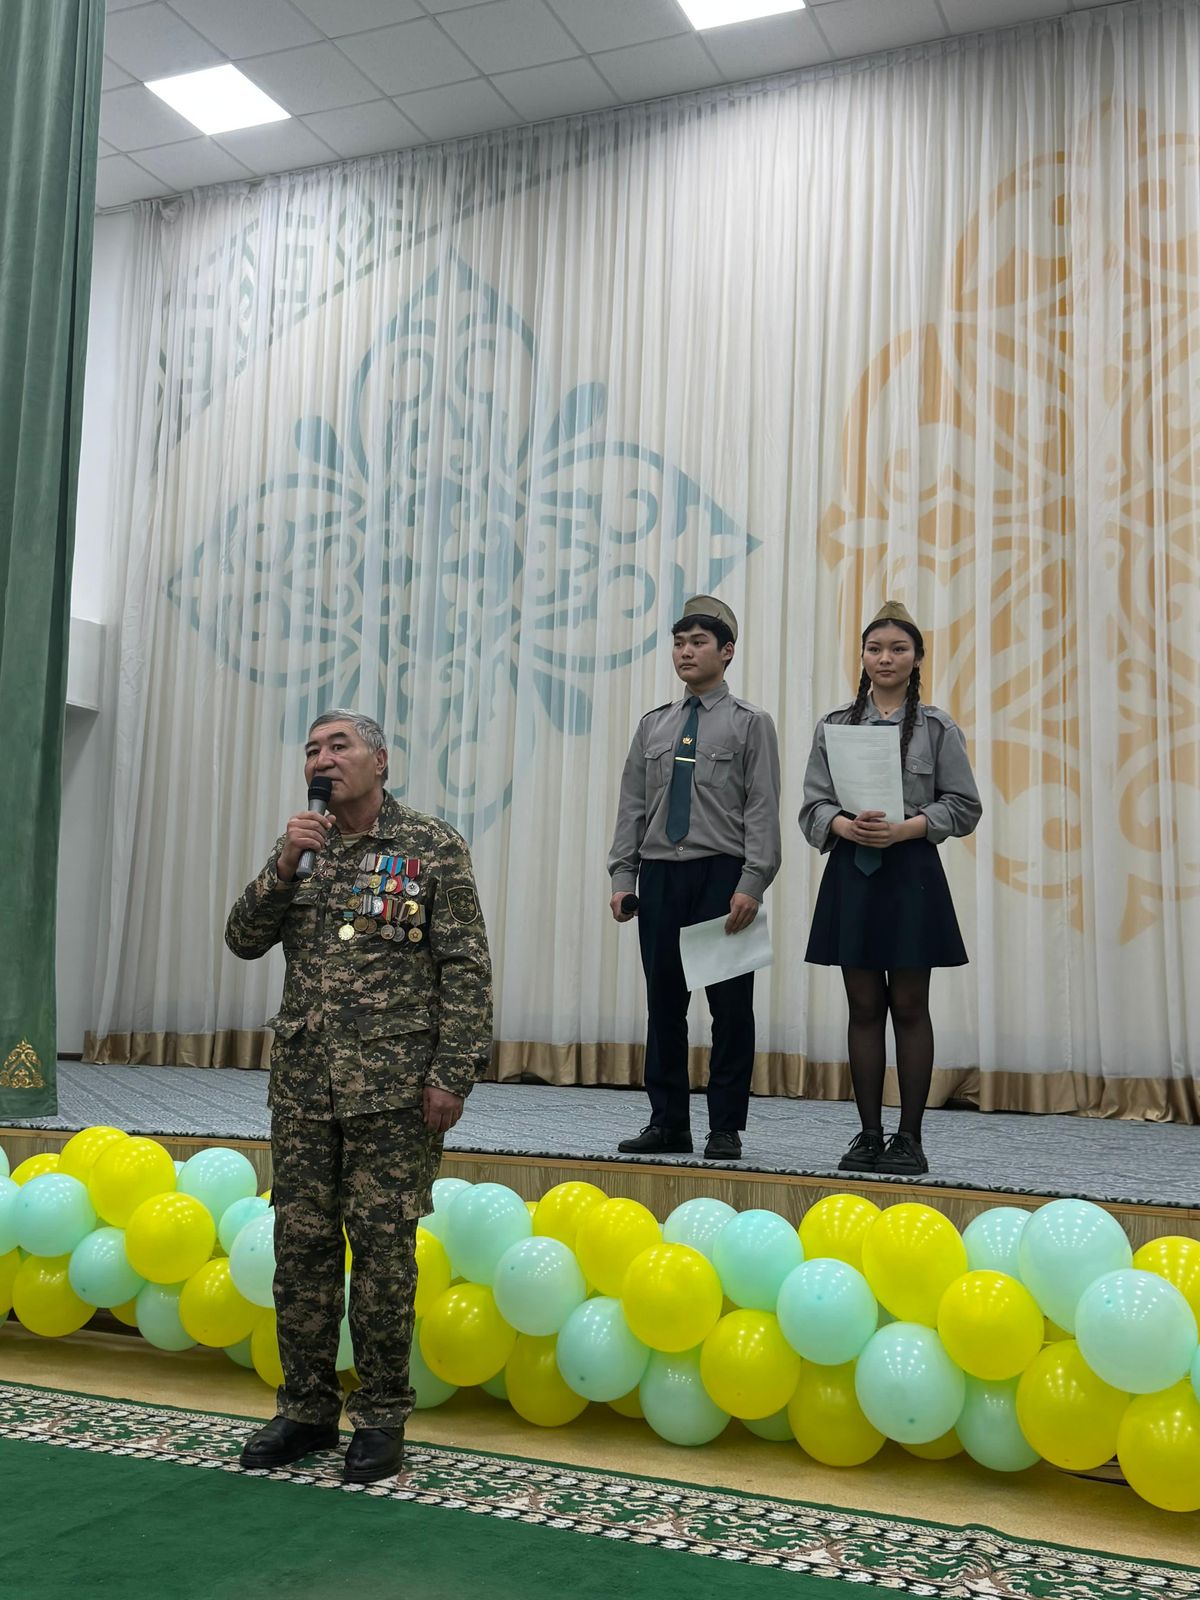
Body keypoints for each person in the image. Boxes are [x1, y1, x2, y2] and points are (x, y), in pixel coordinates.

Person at [225, 709, 492, 1484]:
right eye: (312, 748)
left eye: (339, 745)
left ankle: (379, 1418)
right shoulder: (302, 848)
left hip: (393, 1090)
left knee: (382, 1261)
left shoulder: (430, 845)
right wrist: (283, 865)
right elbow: (242, 938)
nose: (323, 758)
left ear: (381, 761)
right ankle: (305, 1409)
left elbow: (465, 965)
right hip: (304, 1088)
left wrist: (451, 1072)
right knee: (301, 1254)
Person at [799, 602, 981, 1175]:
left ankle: (909, 1138)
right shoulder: (835, 725)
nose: (885, 658)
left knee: (908, 1004)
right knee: (862, 1006)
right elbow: (812, 804)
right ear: (862, 656)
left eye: (898, 649)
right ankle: (868, 1134)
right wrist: (841, 825)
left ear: (917, 658)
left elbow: (964, 806)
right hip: (852, 872)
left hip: (910, 875)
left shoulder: (937, 727)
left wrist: (908, 828)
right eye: (875, 648)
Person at [608, 596, 781, 1161]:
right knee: (665, 1004)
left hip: (721, 875)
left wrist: (752, 882)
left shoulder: (750, 723)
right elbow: (633, 806)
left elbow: (762, 807)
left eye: (698, 642)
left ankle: (725, 1127)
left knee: (730, 1008)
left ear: (726, 652)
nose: (685, 652)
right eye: (679, 643)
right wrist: (623, 875)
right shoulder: (653, 725)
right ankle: (667, 1122)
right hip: (661, 875)